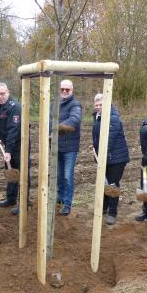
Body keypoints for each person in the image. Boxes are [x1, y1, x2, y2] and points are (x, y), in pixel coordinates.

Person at [92, 93, 130, 225]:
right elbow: (97, 139)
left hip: (116, 158)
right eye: (96, 105)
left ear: (108, 104)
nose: (98, 107)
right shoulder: (97, 117)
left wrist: (102, 156)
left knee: (112, 184)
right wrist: (97, 155)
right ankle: (104, 207)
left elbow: (109, 140)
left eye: (101, 104)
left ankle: (112, 212)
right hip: (105, 157)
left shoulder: (112, 118)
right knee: (104, 182)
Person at [0, 82, 30, 215]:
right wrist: (2, 140)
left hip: (20, 145)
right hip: (8, 143)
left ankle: (24, 204)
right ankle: (11, 198)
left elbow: (14, 129)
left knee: (22, 173)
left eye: (3, 93)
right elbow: (2, 126)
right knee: (10, 171)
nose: (0, 96)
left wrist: (8, 150)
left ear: (8, 92)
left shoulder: (15, 108)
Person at [57, 79, 82, 216]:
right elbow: (49, 119)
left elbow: (75, 119)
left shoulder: (75, 104)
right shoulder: (55, 104)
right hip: (57, 146)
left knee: (67, 176)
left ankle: (67, 203)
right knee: (59, 175)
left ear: (72, 90)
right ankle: (59, 197)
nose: (65, 91)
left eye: (68, 89)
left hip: (70, 148)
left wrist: (59, 127)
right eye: (62, 89)